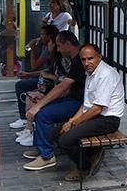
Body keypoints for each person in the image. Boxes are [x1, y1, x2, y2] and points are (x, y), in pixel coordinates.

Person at [58, 44, 124, 181]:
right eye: (83, 59)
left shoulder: (105, 74)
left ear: (99, 57)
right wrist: (71, 121)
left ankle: (84, 167)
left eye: (90, 59)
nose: (87, 63)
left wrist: (75, 122)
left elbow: (97, 108)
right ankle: (91, 154)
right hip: (96, 115)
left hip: (108, 119)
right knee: (57, 132)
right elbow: (86, 104)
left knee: (65, 140)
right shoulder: (90, 72)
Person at [22, 30, 86, 170]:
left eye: (59, 46)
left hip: (80, 103)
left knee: (44, 113)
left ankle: (47, 156)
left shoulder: (80, 60)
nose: (57, 49)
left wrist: (38, 105)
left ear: (68, 44)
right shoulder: (74, 59)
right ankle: (41, 147)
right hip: (72, 98)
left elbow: (63, 86)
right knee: (42, 110)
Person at [9, 25, 59, 130]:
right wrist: (28, 75)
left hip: (50, 82)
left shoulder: (51, 49)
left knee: (24, 87)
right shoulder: (44, 45)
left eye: (42, 34)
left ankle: (28, 122)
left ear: (50, 37)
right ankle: (24, 118)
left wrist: (32, 50)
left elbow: (34, 66)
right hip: (45, 77)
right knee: (21, 85)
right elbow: (45, 71)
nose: (40, 37)